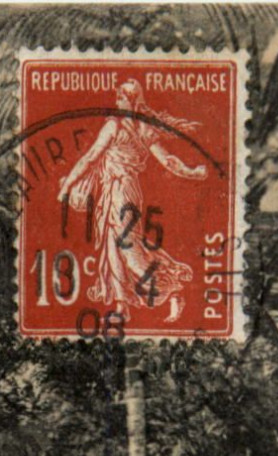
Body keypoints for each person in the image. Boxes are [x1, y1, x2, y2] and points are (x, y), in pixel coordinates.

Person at [56, 79, 208, 324]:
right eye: (117, 96)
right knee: (112, 245)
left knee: (128, 249)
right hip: (115, 190)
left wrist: (66, 186)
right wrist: (191, 172)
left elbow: (91, 157)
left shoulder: (116, 126)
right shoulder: (142, 128)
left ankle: (171, 290)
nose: (118, 100)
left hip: (122, 191)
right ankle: (121, 305)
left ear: (133, 101)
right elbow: (167, 160)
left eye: (122, 97)